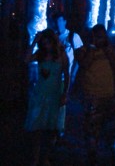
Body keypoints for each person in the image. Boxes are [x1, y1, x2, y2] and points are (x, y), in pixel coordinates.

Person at [75, 24, 115, 165]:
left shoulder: (109, 50)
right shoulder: (84, 50)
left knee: (113, 131)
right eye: (98, 36)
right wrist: (92, 46)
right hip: (92, 97)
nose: (101, 39)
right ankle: (93, 159)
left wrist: (107, 48)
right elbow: (84, 64)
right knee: (92, 132)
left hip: (109, 96)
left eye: (103, 36)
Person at [24, 28, 70, 166]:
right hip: (41, 94)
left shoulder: (61, 55)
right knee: (37, 129)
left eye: (48, 42)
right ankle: (36, 159)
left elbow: (66, 75)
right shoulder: (40, 54)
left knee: (52, 130)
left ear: (53, 42)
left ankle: (46, 157)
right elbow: (26, 59)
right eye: (44, 43)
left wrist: (65, 94)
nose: (46, 45)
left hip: (55, 93)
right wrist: (34, 42)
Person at [53, 11, 83, 90]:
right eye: (56, 21)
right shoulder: (52, 37)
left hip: (65, 77)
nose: (57, 23)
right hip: (52, 77)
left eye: (59, 20)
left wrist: (73, 75)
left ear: (64, 22)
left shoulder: (73, 36)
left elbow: (80, 58)